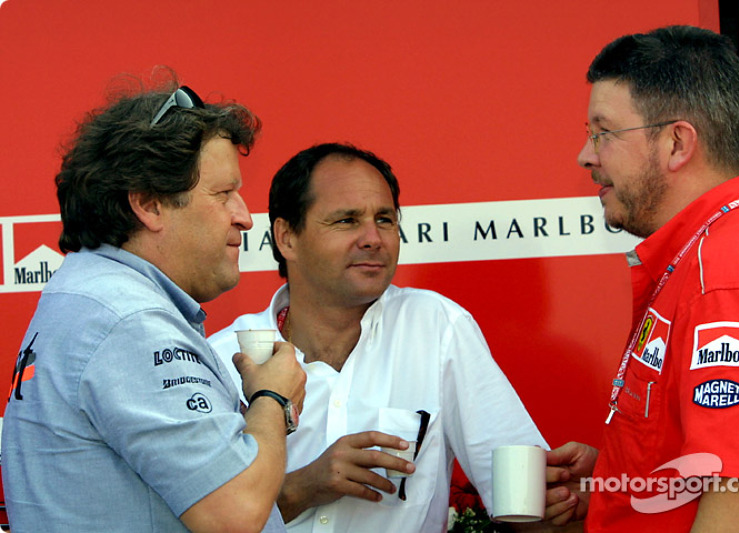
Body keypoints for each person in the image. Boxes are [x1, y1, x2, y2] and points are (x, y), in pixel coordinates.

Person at [1, 81, 306, 532]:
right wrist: (272, 398)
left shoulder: (89, 296)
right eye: (223, 194)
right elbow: (234, 512)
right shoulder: (128, 321)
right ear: (148, 204)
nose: (243, 215)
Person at [208, 142, 550, 533]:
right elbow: (192, 521)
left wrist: (570, 495)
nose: (373, 238)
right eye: (347, 220)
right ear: (287, 237)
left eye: (385, 219)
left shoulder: (437, 326)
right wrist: (304, 487)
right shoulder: (222, 356)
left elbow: (522, 491)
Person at [545, 25, 739, 532]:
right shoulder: (706, 255)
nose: (586, 156)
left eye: (603, 132)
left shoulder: (730, 273)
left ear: (677, 143)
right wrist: (624, 478)